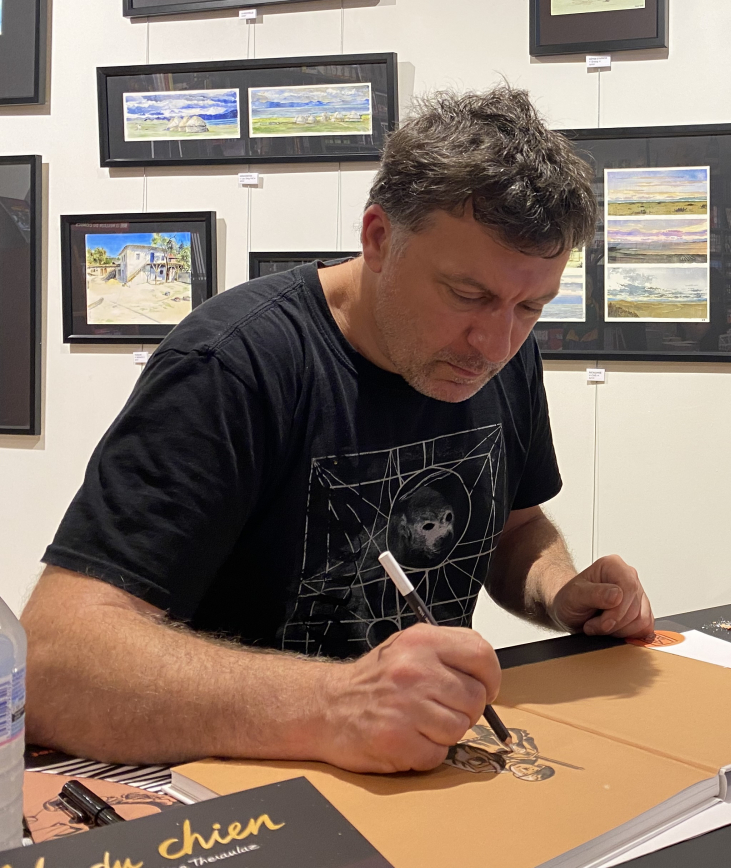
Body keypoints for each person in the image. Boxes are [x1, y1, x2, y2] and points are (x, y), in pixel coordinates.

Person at [23, 86, 655, 773]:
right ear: (379, 238)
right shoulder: (233, 367)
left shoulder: (500, 355)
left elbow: (515, 528)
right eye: (467, 295)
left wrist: (559, 592)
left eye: (531, 305)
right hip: (242, 792)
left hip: (418, 777)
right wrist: (337, 704)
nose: (495, 343)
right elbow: (54, 662)